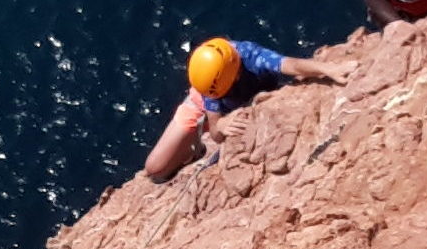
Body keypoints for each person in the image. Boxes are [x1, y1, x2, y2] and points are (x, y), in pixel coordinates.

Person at [143, 36, 355, 182]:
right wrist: (221, 125)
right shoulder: (210, 77)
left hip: (233, 98)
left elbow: (289, 65)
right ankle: (193, 153)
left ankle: (192, 149)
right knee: (154, 168)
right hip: (201, 105)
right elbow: (217, 132)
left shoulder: (249, 57)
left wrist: (327, 69)